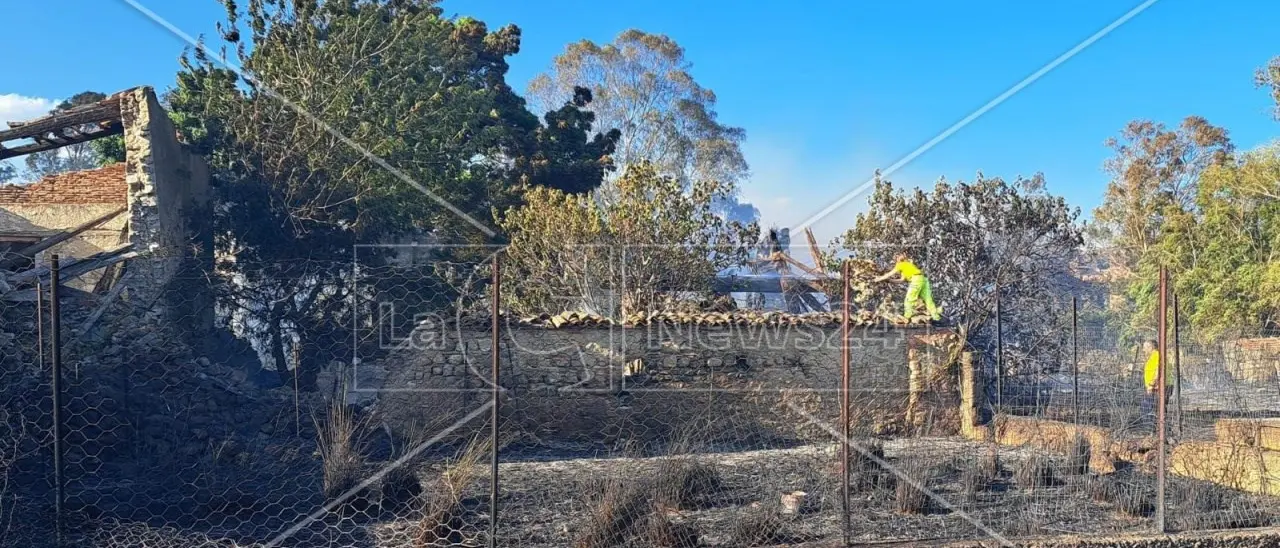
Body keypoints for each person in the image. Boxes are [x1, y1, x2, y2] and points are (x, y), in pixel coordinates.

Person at [874, 252, 942, 321]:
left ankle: (907, 318)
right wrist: (890, 280)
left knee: (909, 300)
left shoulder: (900, 264)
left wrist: (878, 279)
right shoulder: (907, 265)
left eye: (899, 255)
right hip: (923, 279)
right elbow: (901, 280)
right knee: (928, 300)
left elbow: (889, 274)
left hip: (916, 280)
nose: (899, 257)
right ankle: (936, 318)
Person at [1139, 339, 1174, 427]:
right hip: (1161, 386)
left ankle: (1153, 429)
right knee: (1159, 408)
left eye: (1145, 348)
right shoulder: (1155, 356)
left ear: (1150, 347)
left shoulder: (1156, 356)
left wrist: (1151, 384)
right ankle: (1160, 429)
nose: (1143, 350)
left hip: (1158, 387)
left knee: (1151, 408)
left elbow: (1158, 370)